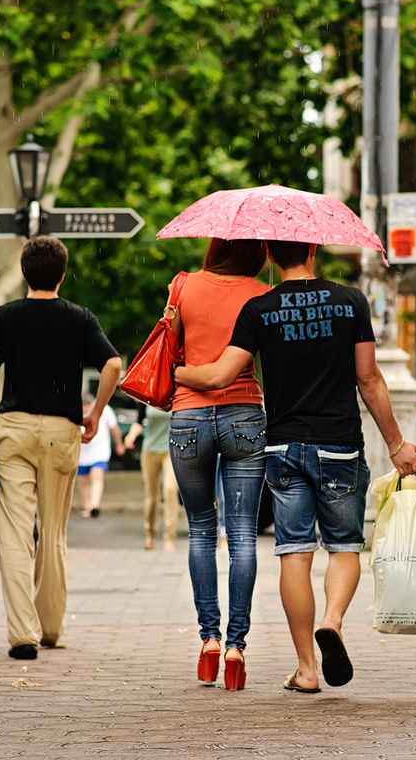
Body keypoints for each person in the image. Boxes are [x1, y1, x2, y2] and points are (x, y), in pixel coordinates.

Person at [174, 240, 416, 693]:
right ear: (314, 248)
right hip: (340, 446)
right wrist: (396, 444)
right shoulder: (350, 300)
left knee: (294, 550)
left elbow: (219, 376)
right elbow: (368, 378)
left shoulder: (259, 307)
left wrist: (174, 373)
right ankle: (331, 621)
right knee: (345, 545)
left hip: (284, 447)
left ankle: (307, 670)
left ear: (270, 256)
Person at [0, 236, 121, 661]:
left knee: (14, 534)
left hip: (12, 429)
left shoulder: (5, 317)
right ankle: (50, 628)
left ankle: (22, 634)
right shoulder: (79, 318)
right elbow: (112, 363)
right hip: (61, 432)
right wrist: (97, 413)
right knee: (52, 532)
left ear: (25, 272)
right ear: (63, 274)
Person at [169, 238, 269, 690]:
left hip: (188, 414)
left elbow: (170, 353)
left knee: (201, 530)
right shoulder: (260, 293)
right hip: (244, 413)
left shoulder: (183, 285)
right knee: (243, 532)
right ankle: (235, 646)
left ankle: (208, 638)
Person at [124, 403, 181, 551]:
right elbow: (139, 422)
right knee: (152, 498)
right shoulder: (146, 399)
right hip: (150, 450)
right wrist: (131, 436)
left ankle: (169, 537)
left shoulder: (174, 396)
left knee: (170, 490)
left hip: (171, 449)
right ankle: (150, 533)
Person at [77, 394, 125, 518]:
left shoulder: (104, 410)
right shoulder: (76, 411)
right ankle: (87, 506)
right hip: (81, 451)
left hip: (99, 451)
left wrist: (119, 444)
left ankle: (94, 505)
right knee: (83, 480)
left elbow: (115, 428)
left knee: (96, 475)